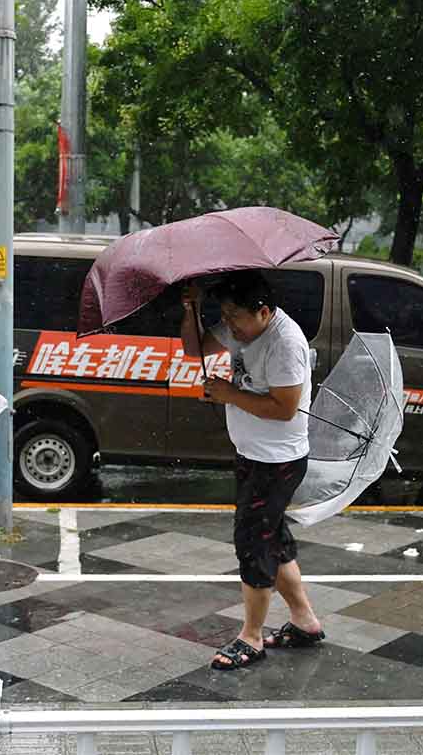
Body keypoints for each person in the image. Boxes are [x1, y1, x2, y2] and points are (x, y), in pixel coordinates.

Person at [180, 270, 325, 670]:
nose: (229, 327)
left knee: (253, 544)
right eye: (224, 316)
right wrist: (191, 306)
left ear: (263, 312)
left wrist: (229, 394)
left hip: (276, 461)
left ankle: (251, 638)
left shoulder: (285, 343)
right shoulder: (241, 326)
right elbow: (196, 349)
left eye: (235, 318)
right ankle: (305, 622)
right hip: (253, 454)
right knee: (272, 539)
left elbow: (284, 408)